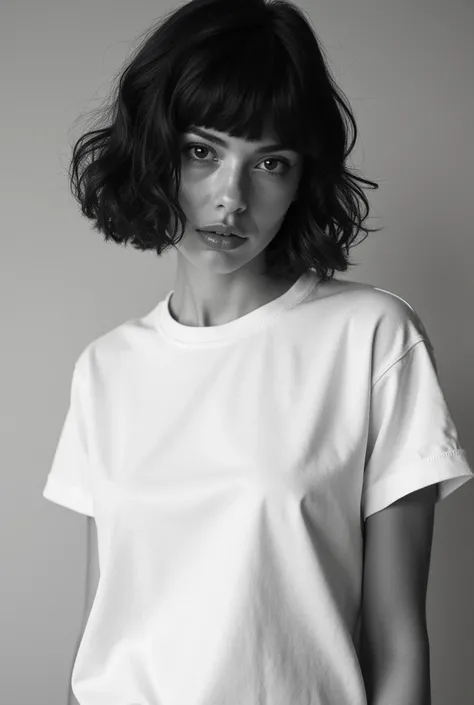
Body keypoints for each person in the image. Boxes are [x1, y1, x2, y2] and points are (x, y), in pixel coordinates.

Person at [42, 1, 474, 704]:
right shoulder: (106, 368)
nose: (231, 198)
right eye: (201, 151)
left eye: (270, 162)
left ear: (302, 178)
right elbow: (104, 625)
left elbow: (399, 641)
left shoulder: (370, 337)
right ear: (155, 151)